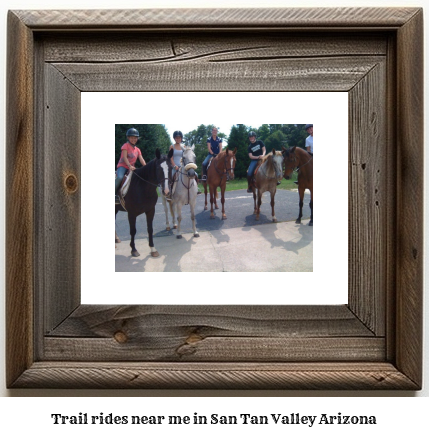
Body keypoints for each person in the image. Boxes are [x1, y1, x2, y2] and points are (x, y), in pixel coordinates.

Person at [115, 127, 146, 202]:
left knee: (137, 179)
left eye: (135, 138)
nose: (133, 139)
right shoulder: (125, 146)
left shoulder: (137, 149)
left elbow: (141, 159)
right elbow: (124, 157)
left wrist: (146, 167)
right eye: (132, 137)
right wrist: (129, 166)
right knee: (119, 177)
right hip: (123, 166)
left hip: (132, 168)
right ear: (128, 137)